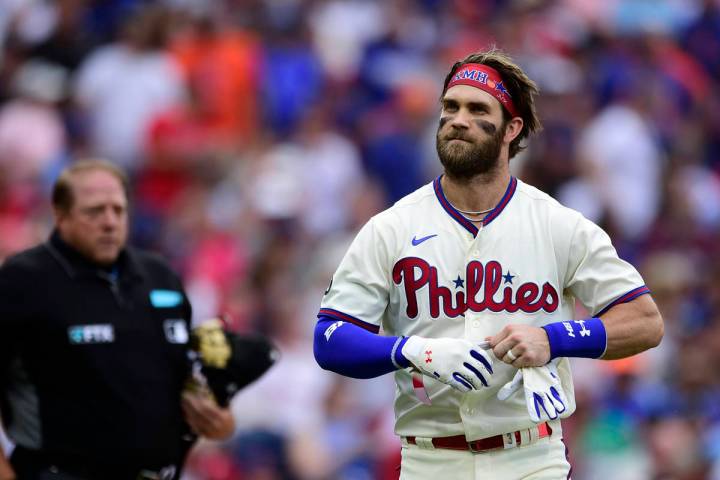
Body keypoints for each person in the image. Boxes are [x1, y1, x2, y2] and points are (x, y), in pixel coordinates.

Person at [313, 48, 664, 479]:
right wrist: (414, 350)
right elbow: (330, 339)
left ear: (511, 128)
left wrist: (555, 339)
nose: (458, 119)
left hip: (532, 457)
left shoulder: (559, 225)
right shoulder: (391, 228)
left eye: (477, 108)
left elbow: (645, 321)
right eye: (450, 107)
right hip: (429, 459)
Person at [0, 160, 234, 480]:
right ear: (60, 215)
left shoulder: (159, 276)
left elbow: (183, 378)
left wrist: (216, 416)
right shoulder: (22, 282)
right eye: (95, 211)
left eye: (118, 210)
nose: (109, 222)